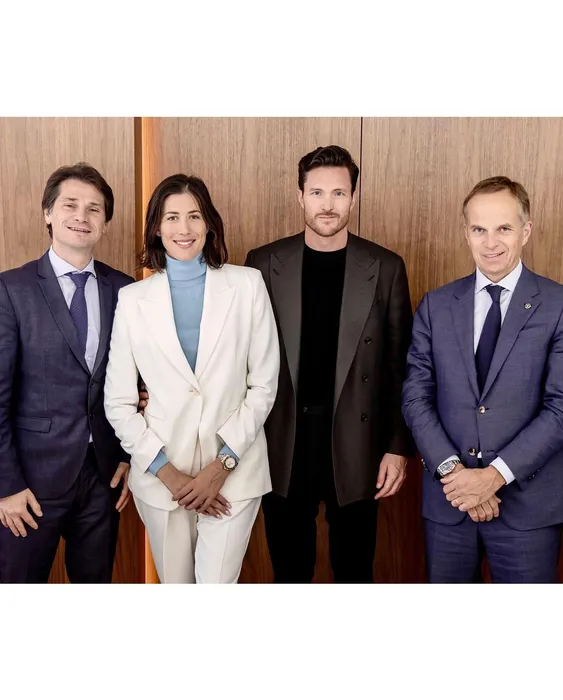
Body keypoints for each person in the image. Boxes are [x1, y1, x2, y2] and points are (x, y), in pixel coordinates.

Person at [244, 145, 414, 583]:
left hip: (357, 440)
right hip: (283, 439)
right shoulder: (262, 263)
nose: (327, 204)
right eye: (317, 192)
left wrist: (397, 447)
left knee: (355, 572)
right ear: (300, 195)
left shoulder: (386, 267)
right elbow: (239, 359)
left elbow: (400, 368)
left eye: (339, 193)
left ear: (353, 197)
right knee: (289, 573)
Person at [104, 174, 279, 584]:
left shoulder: (247, 285)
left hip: (235, 475)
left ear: (209, 224)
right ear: (156, 227)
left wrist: (221, 465)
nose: (184, 228)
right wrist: (169, 473)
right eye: (171, 217)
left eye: (194, 216)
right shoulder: (132, 300)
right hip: (162, 480)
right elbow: (118, 402)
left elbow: (264, 385)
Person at [402, 176, 563, 583]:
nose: (491, 243)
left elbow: (560, 407)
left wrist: (493, 477)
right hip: (449, 505)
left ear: (525, 231)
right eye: (479, 229)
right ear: (466, 233)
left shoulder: (558, 305)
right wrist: (455, 475)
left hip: (528, 510)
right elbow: (416, 397)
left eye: (503, 228)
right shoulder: (436, 305)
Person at [0, 163, 134, 583]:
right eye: (70, 205)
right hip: (29, 482)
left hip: (103, 478)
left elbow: (136, 383)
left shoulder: (125, 289)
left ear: (105, 222)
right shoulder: (11, 289)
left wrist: (128, 456)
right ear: (48, 212)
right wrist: (6, 486)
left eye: (94, 209)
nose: (82, 216)